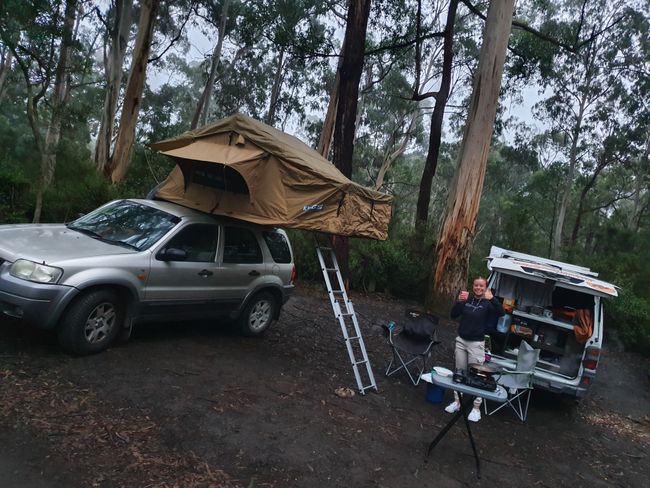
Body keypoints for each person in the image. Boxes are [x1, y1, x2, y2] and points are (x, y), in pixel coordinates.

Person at [445, 277, 504, 422]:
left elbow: (501, 313)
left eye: (481, 286)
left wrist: (493, 299)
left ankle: (476, 408)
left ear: (486, 288)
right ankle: (457, 401)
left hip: (476, 344)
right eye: (476, 285)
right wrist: (459, 301)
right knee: (459, 372)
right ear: (473, 287)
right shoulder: (467, 300)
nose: (478, 288)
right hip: (461, 341)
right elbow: (453, 315)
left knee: (479, 376)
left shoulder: (488, 303)